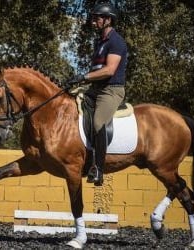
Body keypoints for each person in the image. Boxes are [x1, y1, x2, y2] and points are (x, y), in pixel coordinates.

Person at [66, 2, 127, 186]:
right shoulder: (99, 42)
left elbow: (109, 70)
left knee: (98, 122)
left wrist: (83, 76)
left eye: (97, 18)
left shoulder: (116, 41)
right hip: (95, 89)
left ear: (108, 20)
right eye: (93, 18)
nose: (93, 22)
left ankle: (98, 169)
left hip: (111, 90)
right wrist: (79, 83)